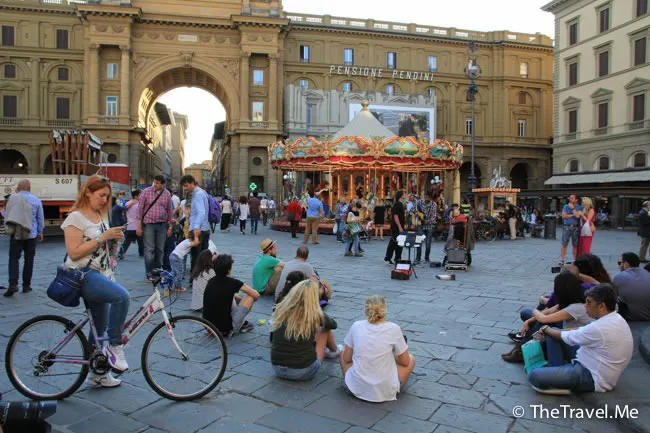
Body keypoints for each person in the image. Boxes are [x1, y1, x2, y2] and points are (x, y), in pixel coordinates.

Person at [60, 175, 130, 387]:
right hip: (83, 274)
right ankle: (115, 347)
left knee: (98, 329)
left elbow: (102, 245)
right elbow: (73, 253)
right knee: (122, 297)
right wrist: (102, 237)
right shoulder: (75, 218)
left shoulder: (101, 215)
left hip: (100, 273)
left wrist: (115, 238)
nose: (104, 199)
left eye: (107, 196)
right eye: (101, 195)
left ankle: (97, 373)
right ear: (87, 192)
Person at [529, 284, 633, 394]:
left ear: (601, 306)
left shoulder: (599, 327)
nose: (585, 306)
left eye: (589, 302)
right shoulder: (616, 318)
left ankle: (560, 380)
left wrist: (545, 329)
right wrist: (550, 330)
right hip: (592, 361)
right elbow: (576, 332)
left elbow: (565, 335)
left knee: (534, 375)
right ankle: (557, 372)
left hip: (591, 375)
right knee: (554, 331)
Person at [503, 271, 593, 363]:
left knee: (546, 326)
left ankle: (523, 350)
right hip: (569, 334)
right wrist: (528, 321)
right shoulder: (570, 301)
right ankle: (523, 348)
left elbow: (543, 318)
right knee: (531, 316)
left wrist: (535, 311)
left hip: (577, 345)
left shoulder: (576, 307)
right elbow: (549, 311)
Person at [340, 296, 415, 402]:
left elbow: (347, 359)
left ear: (365, 310)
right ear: (384, 310)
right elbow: (405, 361)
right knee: (411, 359)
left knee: (342, 353)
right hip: (386, 390)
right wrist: (393, 355)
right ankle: (388, 386)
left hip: (355, 388)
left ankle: (355, 383)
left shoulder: (356, 326)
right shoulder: (394, 328)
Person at [271, 280, 342, 381]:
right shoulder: (314, 314)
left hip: (277, 369)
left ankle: (332, 351)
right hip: (303, 371)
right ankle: (334, 351)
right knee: (324, 329)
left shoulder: (282, 309)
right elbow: (333, 324)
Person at [2, 179, 44, 297]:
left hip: (15, 234)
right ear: (29, 188)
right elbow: (40, 219)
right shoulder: (36, 200)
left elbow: (4, 214)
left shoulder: (12, 198)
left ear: (17, 188)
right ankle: (26, 286)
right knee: (29, 260)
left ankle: (13, 284)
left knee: (13, 259)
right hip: (31, 234)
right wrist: (40, 232)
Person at [203, 254, 259, 336]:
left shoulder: (211, 281)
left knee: (233, 296)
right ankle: (240, 323)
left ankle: (238, 320)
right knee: (250, 297)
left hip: (209, 328)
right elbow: (256, 295)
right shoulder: (233, 283)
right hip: (225, 330)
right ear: (229, 269)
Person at [137, 175, 174, 283]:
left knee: (160, 249)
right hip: (148, 224)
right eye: (155, 182)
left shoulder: (166, 193)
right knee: (149, 249)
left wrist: (170, 227)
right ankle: (149, 273)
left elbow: (169, 211)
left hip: (162, 225)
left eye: (158, 183)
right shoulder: (146, 192)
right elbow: (139, 210)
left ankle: (156, 271)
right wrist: (138, 226)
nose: (156, 185)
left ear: (163, 184)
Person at [179, 175, 211, 273]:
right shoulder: (202, 193)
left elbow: (201, 212)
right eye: (184, 186)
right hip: (204, 229)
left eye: (186, 185)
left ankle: (195, 280)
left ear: (192, 182)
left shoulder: (198, 194)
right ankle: (201, 279)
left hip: (198, 230)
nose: (185, 188)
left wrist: (196, 227)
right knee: (202, 257)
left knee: (196, 258)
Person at [614, 252, 650, 321]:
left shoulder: (618, 277)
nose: (618, 265)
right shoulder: (648, 274)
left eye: (619, 263)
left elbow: (612, 296)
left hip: (629, 317)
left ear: (626, 264)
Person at [118, 190, 143, 259]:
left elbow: (124, 213)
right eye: (140, 195)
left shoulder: (127, 203)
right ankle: (142, 253)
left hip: (130, 225)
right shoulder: (140, 204)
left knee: (126, 242)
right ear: (136, 196)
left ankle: (121, 253)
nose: (141, 196)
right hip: (138, 226)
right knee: (141, 241)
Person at [560, 194, 583, 265]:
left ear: (576, 200)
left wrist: (573, 209)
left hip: (576, 227)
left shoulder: (579, 207)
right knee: (564, 244)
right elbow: (564, 216)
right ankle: (562, 260)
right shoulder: (566, 206)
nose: (570, 199)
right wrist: (573, 214)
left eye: (572, 198)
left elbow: (578, 216)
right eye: (570, 198)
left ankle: (574, 260)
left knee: (575, 245)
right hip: (567, 226)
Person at [384, 190, 406, 265]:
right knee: (394, 242)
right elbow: (395, 216)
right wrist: (399, 227)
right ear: (401, 195)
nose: (405, 195)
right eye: (404, 194)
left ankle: (397, 257)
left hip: (399, 225)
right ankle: (389, 257)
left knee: (399, 242)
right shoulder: (397, 204)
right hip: (396, 227)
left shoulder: (400, 204)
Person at [416, 193, 437, 263]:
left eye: (428, 198)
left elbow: (433, 217)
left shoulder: (433, 205)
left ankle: (426, 258)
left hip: (429, 225)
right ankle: (418, 258)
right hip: (420, 225)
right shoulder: (419, 202)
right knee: (419, 242)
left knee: (428, 243)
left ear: (430, 198)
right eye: (425, 197)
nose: (426, 199)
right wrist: (418, 214)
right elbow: (412, 210)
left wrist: (427, 221)